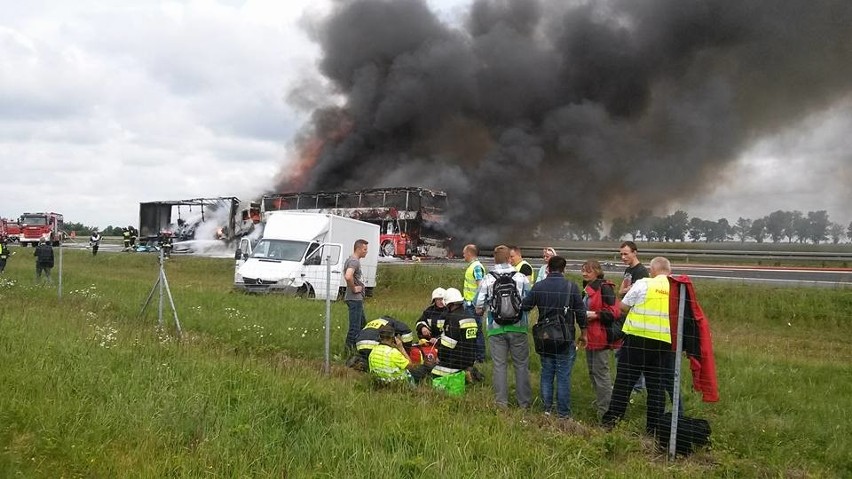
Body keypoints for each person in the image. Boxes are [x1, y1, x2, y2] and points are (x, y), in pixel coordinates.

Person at [603, 257, 675, 436]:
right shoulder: (676, 287)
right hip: (663, 342)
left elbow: (624, 307)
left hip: (637, 341)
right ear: (669, 271)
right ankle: (654, 428)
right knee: (656, 387)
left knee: (624, 383)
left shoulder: (644, 284)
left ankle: (613, 421)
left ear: (653, 270)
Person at [521, 255, 587, 418]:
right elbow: (580, 313)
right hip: (565, 337)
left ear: (548, 269)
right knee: (563, 375)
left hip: (545, 336)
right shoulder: (572, 287)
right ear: (564, 269)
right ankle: (563, 413)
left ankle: (547, 409)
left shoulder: (539, 286)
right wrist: (584, 333)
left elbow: (526, 306)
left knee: (547, 372)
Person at [475, 245, 532, 409]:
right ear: (509, 258)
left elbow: (478, 303)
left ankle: (501, 403)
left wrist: (483, 309)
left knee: (499, 366)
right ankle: (524, 403)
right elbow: (528, 301)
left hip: (496, 327)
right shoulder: (521, 277)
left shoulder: (488, 278)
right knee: (521, 365)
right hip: (518, 326)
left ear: (494, 259)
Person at [581, 260, 622, 418]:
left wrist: (595, 315)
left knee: (601, 372)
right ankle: (602, 402)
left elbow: (614, 313)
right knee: (592, 372)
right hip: (589, 335)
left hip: (601, 336)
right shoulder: (586, 287)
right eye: (583, 270)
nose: (585, 273)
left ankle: (606, 411)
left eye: (588, 271)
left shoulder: (605, 287)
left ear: (597, 271)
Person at [618, 240, 649, 393]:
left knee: (636, 354)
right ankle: (632, 385)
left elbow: (633, 294)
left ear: (635, 252)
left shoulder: (641, 271)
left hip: (636, 317)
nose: (623, 257)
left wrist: (626, 291)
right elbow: (621, 291)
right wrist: (625, 290)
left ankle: (638, 387)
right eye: (621, 254)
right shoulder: (628, 271)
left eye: (626, 254)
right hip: (626, 316)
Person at [432, 288, 481, 383]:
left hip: (455, 360)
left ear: (450, 304)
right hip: (469, 359)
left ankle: (461, 375)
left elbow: (448, 345)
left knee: (433, 371)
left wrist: (439, 357)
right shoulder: (470, 316)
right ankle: (469, 371)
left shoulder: (452, 318)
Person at [349, 316, 413, 371]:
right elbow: (407, 334)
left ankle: (359, 363)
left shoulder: (376, 321)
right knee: (382, 357)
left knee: (367, 358)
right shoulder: (394, 323)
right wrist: (406, 351)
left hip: (360, 343)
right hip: (374, 342)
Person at [462, 244, 487, 362]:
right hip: (469, 304)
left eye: (464, 253)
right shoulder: (473, 266)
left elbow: (480, 286)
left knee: (476, 331)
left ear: (469, 253)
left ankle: (479, 357)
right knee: (472, 331)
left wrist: (479, 305)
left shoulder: (476, 267)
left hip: (473, 306)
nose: (463, 255)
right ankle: (474, 355)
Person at [344, 239, 369, 351]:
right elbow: (348, 276)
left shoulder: (351, 260)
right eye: (364, 249)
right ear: (358, 249)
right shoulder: (354, 261)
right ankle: (348, 350)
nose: (366, 252)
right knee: (355, 327)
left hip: (356, 299)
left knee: (362, 324)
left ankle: (359, 347)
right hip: (354, 299)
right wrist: (354, 288)